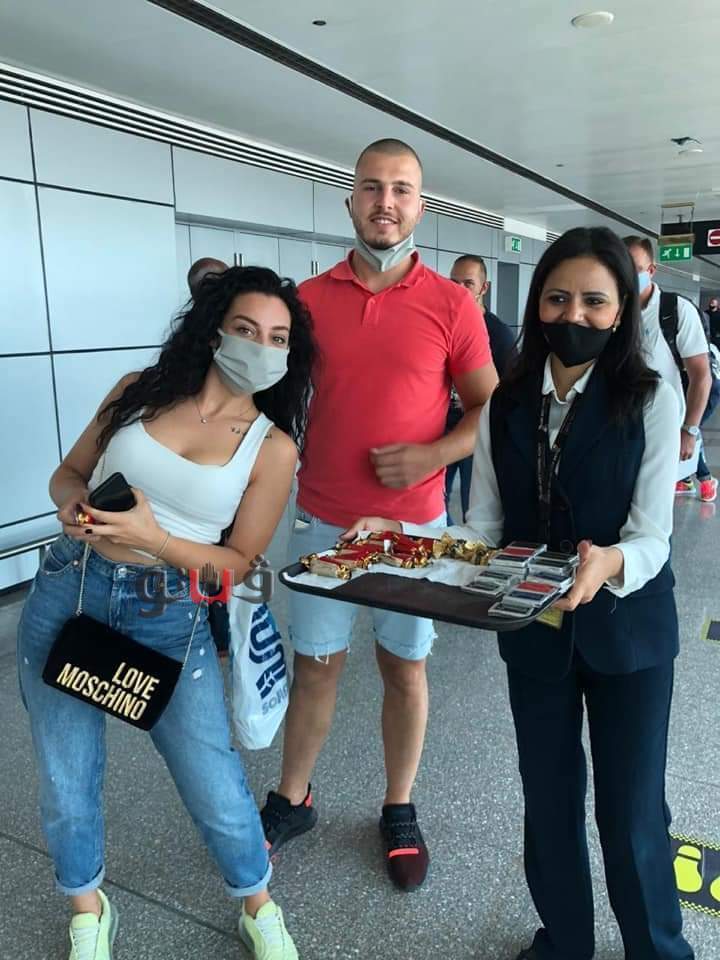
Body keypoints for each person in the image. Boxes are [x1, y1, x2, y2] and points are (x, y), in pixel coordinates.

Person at [345, 227, 694, 960]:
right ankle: (564, 942)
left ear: (623, 310)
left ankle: (659, 950)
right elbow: (484, 530)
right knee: (548, 798)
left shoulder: (650, 398)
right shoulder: (506, 403)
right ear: (536, 305)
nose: (575, 315)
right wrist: (399, 537)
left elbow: (653, 537)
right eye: (558, 298)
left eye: (595, 301)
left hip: (628, 632)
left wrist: (609, 563)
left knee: (632, 812)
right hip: (531, 628)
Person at [17, 267, 315, 960]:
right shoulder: (138, 391)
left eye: (278, 339)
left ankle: (257, 903)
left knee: (213, 780)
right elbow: (68, 473)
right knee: (65, 776)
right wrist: (72, 503)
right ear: (214, 333)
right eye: (247, 330)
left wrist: (154, 540)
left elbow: (236, 563)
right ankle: (88, 910)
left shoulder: (271, 447)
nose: (262, 348)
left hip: (167, 610)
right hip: (71, 588)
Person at [260, 138, 498, 891]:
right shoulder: (306, 301)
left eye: (400, 189)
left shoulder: (453, 304)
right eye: (371, 187)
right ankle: (293, 798)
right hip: (322, 521)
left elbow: (489, 410)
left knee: (405, 668)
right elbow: (267, 396)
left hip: (413, 529)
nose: (385, 202)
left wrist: (433, 455)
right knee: (316, 667)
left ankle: (398, 805)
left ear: (421, 205)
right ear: (350, 199)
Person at [623, 237, 713, 498]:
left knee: (653, 507)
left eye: (635, 269)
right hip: (615, 427)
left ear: (651, 270)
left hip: (662, 431)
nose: (626, 276)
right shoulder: (609, 308)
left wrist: (689, 430)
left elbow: (701, 376)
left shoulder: (676, 310)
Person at [445, 254, 517, 521]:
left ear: (484, 288)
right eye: (454, 283)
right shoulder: (444, 325)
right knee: (434, 501)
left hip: (477, 432)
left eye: (468, 283)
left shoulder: (499, 334)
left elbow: (512, 389)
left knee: (472, 505)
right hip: (441, 429)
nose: (459, 290)